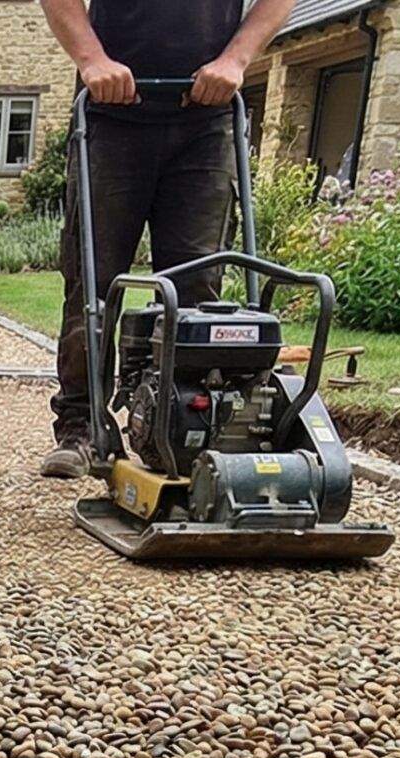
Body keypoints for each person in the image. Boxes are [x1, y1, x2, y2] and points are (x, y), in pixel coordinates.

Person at [38, 0, 295, 478]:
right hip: (110, 116)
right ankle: (82, 427)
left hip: (207, 118)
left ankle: (187, 430)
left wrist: (234, 61)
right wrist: (93, 61)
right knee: (91, 286)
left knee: (198, 287)